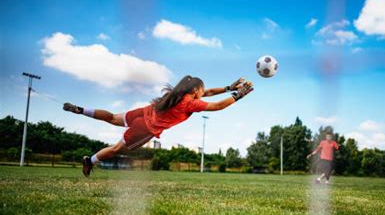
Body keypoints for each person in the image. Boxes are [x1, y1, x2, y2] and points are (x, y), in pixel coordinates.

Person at [63, 75, 253, 177]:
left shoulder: (176, 95)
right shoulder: (190, 103)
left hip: (142, 112)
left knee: (112, 117)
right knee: (115, 149)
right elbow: (217, 105)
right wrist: (239, 95)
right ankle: (90, 161)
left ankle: (82, 110)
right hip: (144, 128)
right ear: (195, 91)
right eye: (201, 92)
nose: (204, 93)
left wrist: (229, 88)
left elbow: (210, 93)